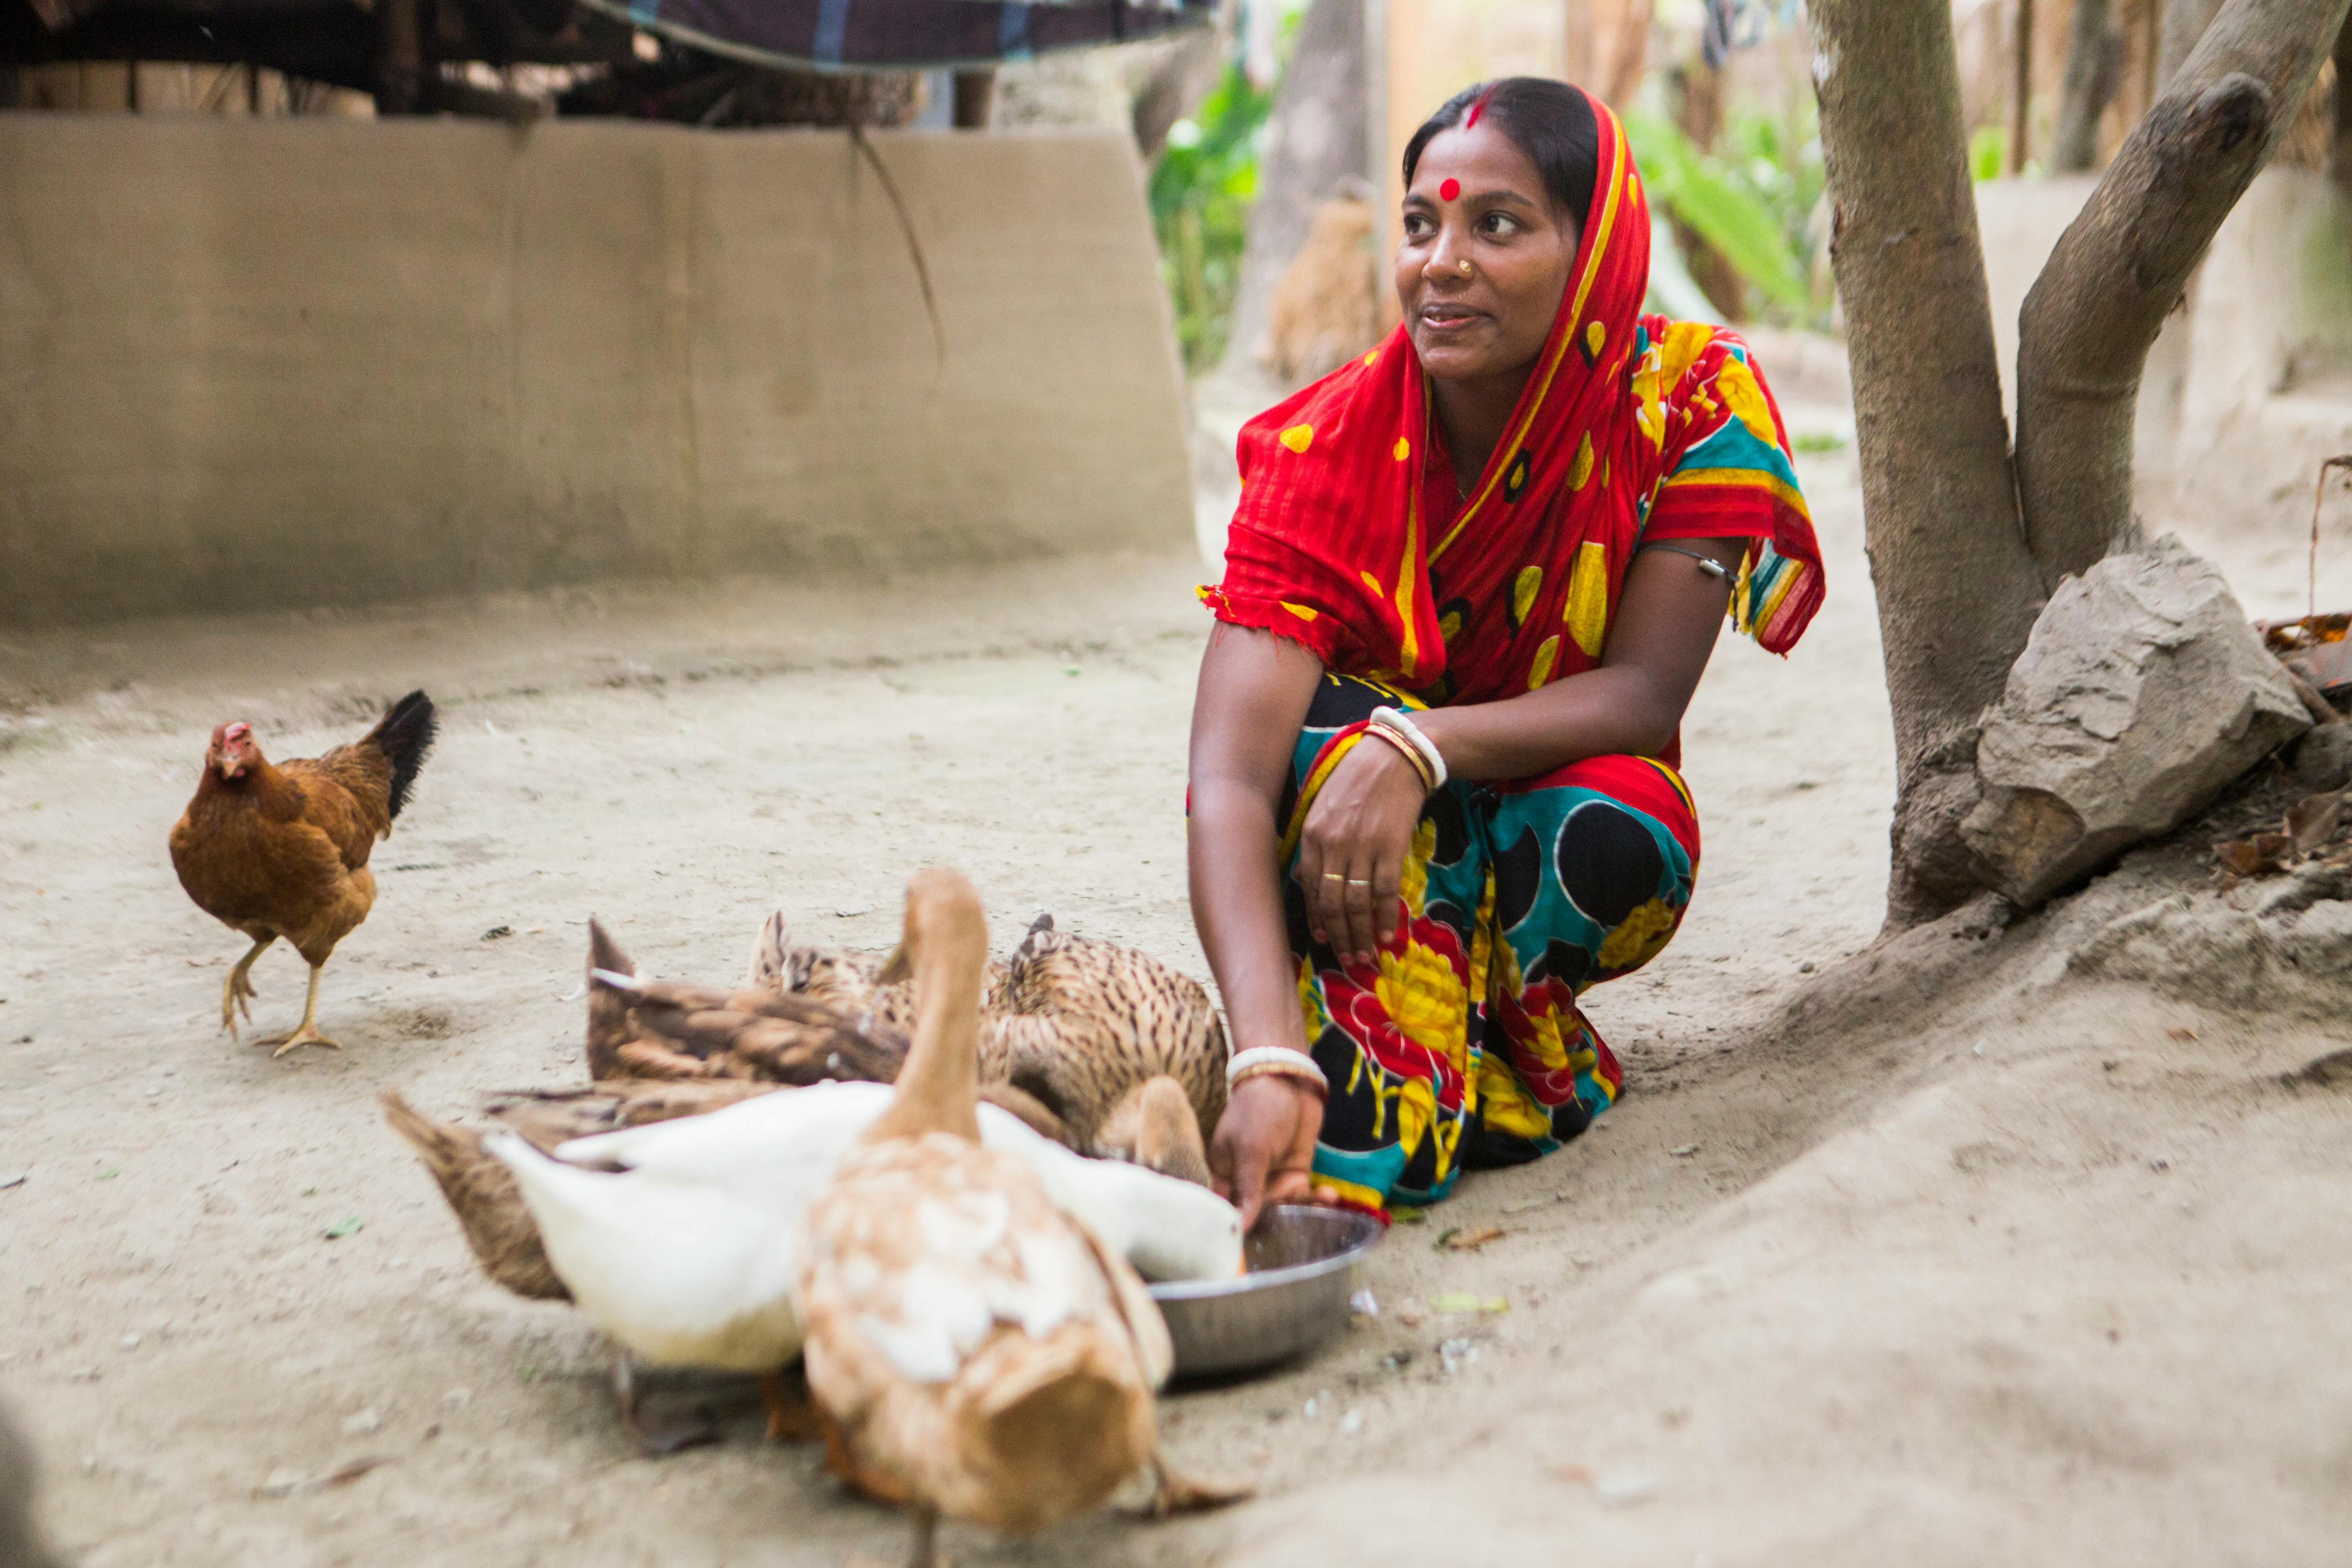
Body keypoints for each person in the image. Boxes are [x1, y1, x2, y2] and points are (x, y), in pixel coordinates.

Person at [1189, 77, 1825, 1230]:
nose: (1440, 262)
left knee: (1630, 825)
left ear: (1594, 250)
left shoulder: (1688, 404)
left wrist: (1421, 745)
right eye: (1421, 225)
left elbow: (1640, 697)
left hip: (1539, 809)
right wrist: (1261, 1057)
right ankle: (1351, 1074)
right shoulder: (1328, 446)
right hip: (1361, 858)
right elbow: (1228, 781)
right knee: (1320, 741)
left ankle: (1456, 1042)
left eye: (1497, 224)